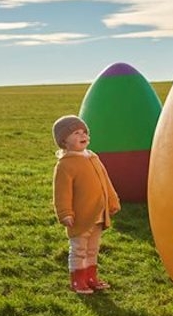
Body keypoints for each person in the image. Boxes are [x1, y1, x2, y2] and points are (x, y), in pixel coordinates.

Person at [52, 115, 121, 294]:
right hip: (80, 217)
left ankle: (91, 277)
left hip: (98, 214)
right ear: (64, 141)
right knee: (79, 249)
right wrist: (65, 213)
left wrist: (112, 201)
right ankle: (78, 280)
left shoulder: (92, 157)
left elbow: (105, 181)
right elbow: (61, 193)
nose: (83, 136)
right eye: (76, 133)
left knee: (92, 249)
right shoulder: (65, 165)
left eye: (85, 132)